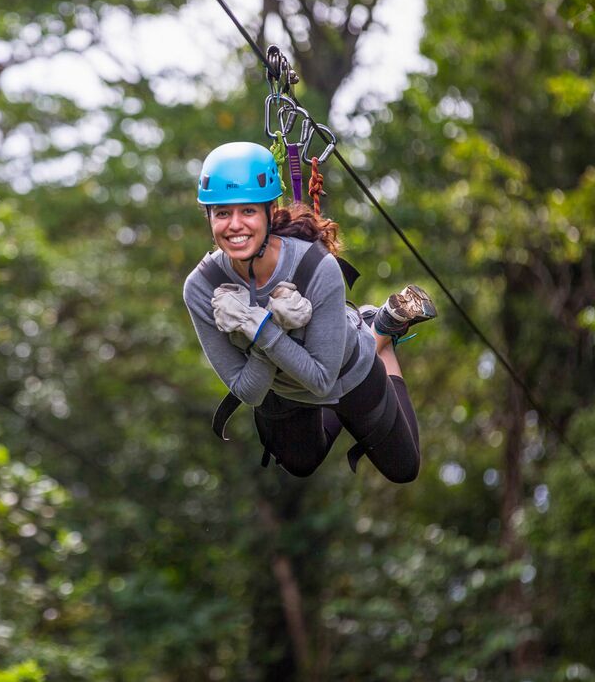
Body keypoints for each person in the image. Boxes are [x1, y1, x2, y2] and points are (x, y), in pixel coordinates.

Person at [182, 141, 437, 480]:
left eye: (248, 211)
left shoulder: (316, 266)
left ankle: (378, 330)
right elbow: (249, 391)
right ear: (209, 217)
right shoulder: (202, 286)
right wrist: (261, 326)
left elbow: (321, 380)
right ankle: (375, 328)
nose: (235, 225)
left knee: (404, 469)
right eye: (222, 213)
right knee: (301, 464)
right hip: (281, 390)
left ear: (270, 212)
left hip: (344, 370)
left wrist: (261, 328)